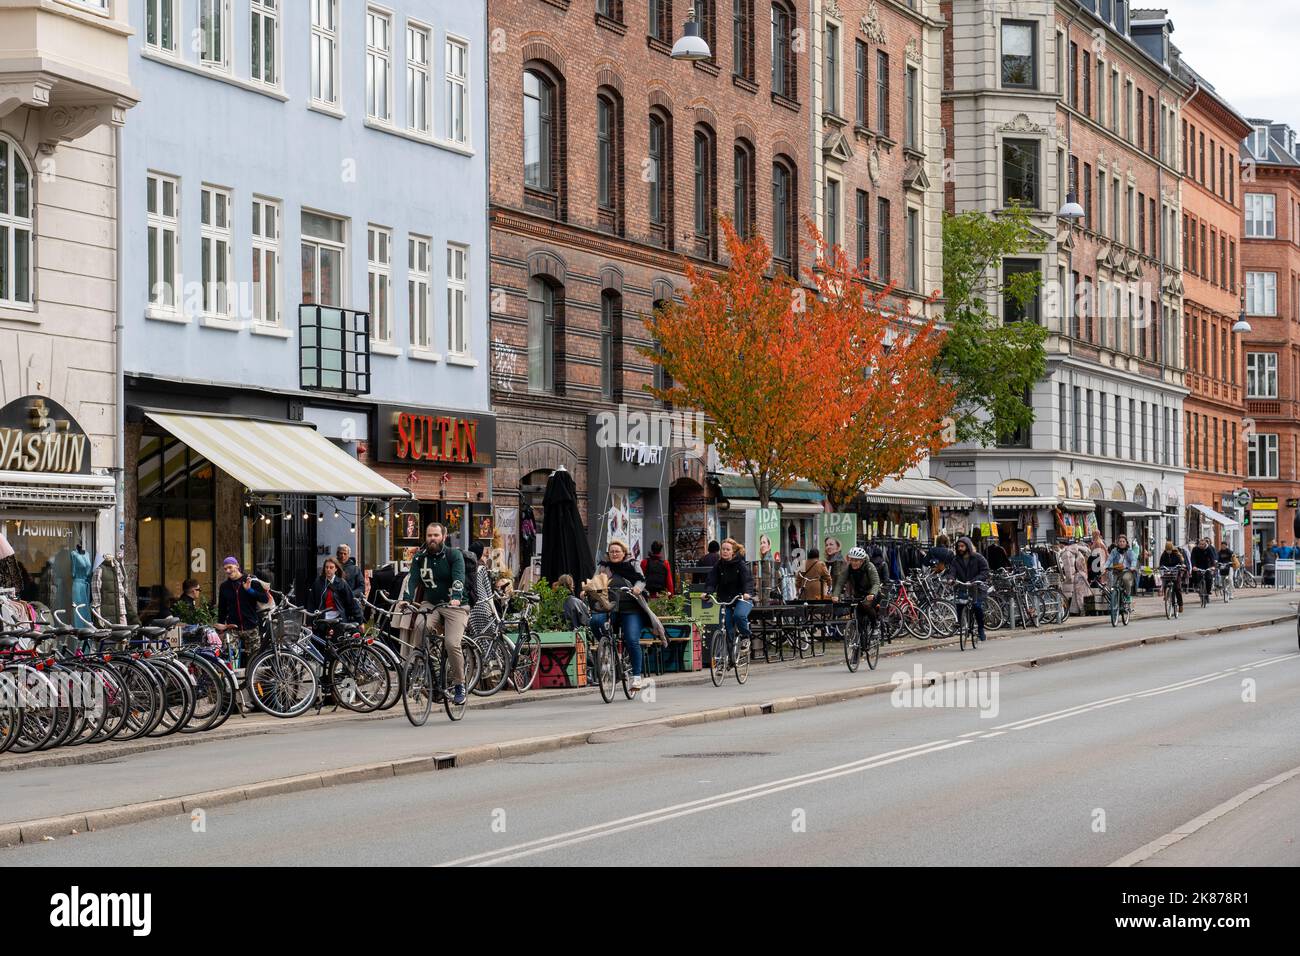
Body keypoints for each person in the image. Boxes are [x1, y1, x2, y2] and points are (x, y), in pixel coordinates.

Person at [400, 522, 470, 705]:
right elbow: (412, 579)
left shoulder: (453, 555)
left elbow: (458, 577)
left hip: (455, 605)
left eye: (436, 535)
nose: (432, 538)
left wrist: (456, 596)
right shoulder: (419, 557)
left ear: (443, 537)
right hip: (431, 603)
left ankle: (459, 684)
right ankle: (425, 666)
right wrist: (406, 598)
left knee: (451, 643)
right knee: (421, 627)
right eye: (429, 535)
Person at [589, 540, 649, 691]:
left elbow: (641, 580)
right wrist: (587, 589)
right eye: (612, 552)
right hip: (609, 606)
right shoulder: (603, 566)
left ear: (624, 552)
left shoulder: (632, 564)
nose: (614, 554)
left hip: (630, 608)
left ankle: (636, 677)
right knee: (595, 620)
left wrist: (636, 588)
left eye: (617, 551)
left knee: (631, 639)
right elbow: (595, 581)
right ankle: (607, 647)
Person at [704, 538, 755, 670]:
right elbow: (711, 581)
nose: (724, 552)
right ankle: (730, 659)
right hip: (726, 600)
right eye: (723, 549)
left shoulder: (740, 564)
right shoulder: (718, 565)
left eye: (727, 549)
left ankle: (745, 637)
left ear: (733, 552)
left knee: (738, 616)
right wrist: (708, 593)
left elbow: (748, 581)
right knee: (727, 628)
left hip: (742, 599)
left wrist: (747, 593)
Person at [216, 557, 270, 665]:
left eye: (230, 567)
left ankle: (251, 681)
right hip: (233, 628)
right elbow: (222, 608)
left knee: (254, 660)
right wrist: (221, 628)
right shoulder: (224, 586)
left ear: (237, 566)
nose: (227, 571)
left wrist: (249, 590)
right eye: (225, 569)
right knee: (231, 659)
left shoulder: (250, 580)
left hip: (251, 626)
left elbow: (265, 598)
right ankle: (234, 680)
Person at [946, 536, 990, 642]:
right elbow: (952, 571)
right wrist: (951, 579)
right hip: (962, 586)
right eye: (958, 546)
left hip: (976, 587)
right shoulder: (955, 560)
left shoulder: (978, 557)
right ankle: (960, 623)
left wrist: (975, 580)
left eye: (962, 546)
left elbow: (985, 571)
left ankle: (980, 628)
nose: (960, 548)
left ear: (968, 546)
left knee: (977, 607)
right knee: (960, 604)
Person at [831, 546, 882, 639]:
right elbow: (840, 583)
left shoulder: (869, 566)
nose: (853, 562)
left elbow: (876, 582)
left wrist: (872, 594)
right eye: (852, 560)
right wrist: (835, 595)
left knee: (867, 605)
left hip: (872, 593)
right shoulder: (849, 568)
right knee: (858, 618)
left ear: (862, 561)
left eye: (856, 560)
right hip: (859, 594)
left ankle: (875, 625)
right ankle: (860, 645)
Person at [307, 555, 362, 626]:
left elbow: (351, 602)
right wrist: (309, 623)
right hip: (322, 619)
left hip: (339, 618)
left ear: (336, 569)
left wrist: (360, 621)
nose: (328, 569)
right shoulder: (318, 583)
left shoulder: (342, 583)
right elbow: (311, 603)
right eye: (326, 567)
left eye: (331, 567)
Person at [1158, 541, 1187, 612]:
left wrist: (1182, 565)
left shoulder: (1176, 554)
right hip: (1167, 572)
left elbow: (1181, 562)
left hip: (1176, 572)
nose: (1168, 551)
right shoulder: (1164, 555)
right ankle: (1167, 595)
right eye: (1167, 550)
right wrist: (1161, 567)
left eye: (1170, 550)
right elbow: (1161, 563)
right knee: (1165, 583)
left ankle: (1180, 605)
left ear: (1172, 549)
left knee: (1177, 588)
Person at [1189, 537, 1216, 603]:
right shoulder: (1195, 549)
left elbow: (1212, 558)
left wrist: (1213, 566)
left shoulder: (1208, 549)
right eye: (1200, 544)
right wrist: (1194, 566)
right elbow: (1193, 558)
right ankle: (1197, 587)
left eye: (1202, 544)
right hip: (1198, 565)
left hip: (1206, 565)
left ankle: (1208, 592)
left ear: (1205, 544)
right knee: (1195, 575)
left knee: (1208, 578)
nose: (1201, 546)